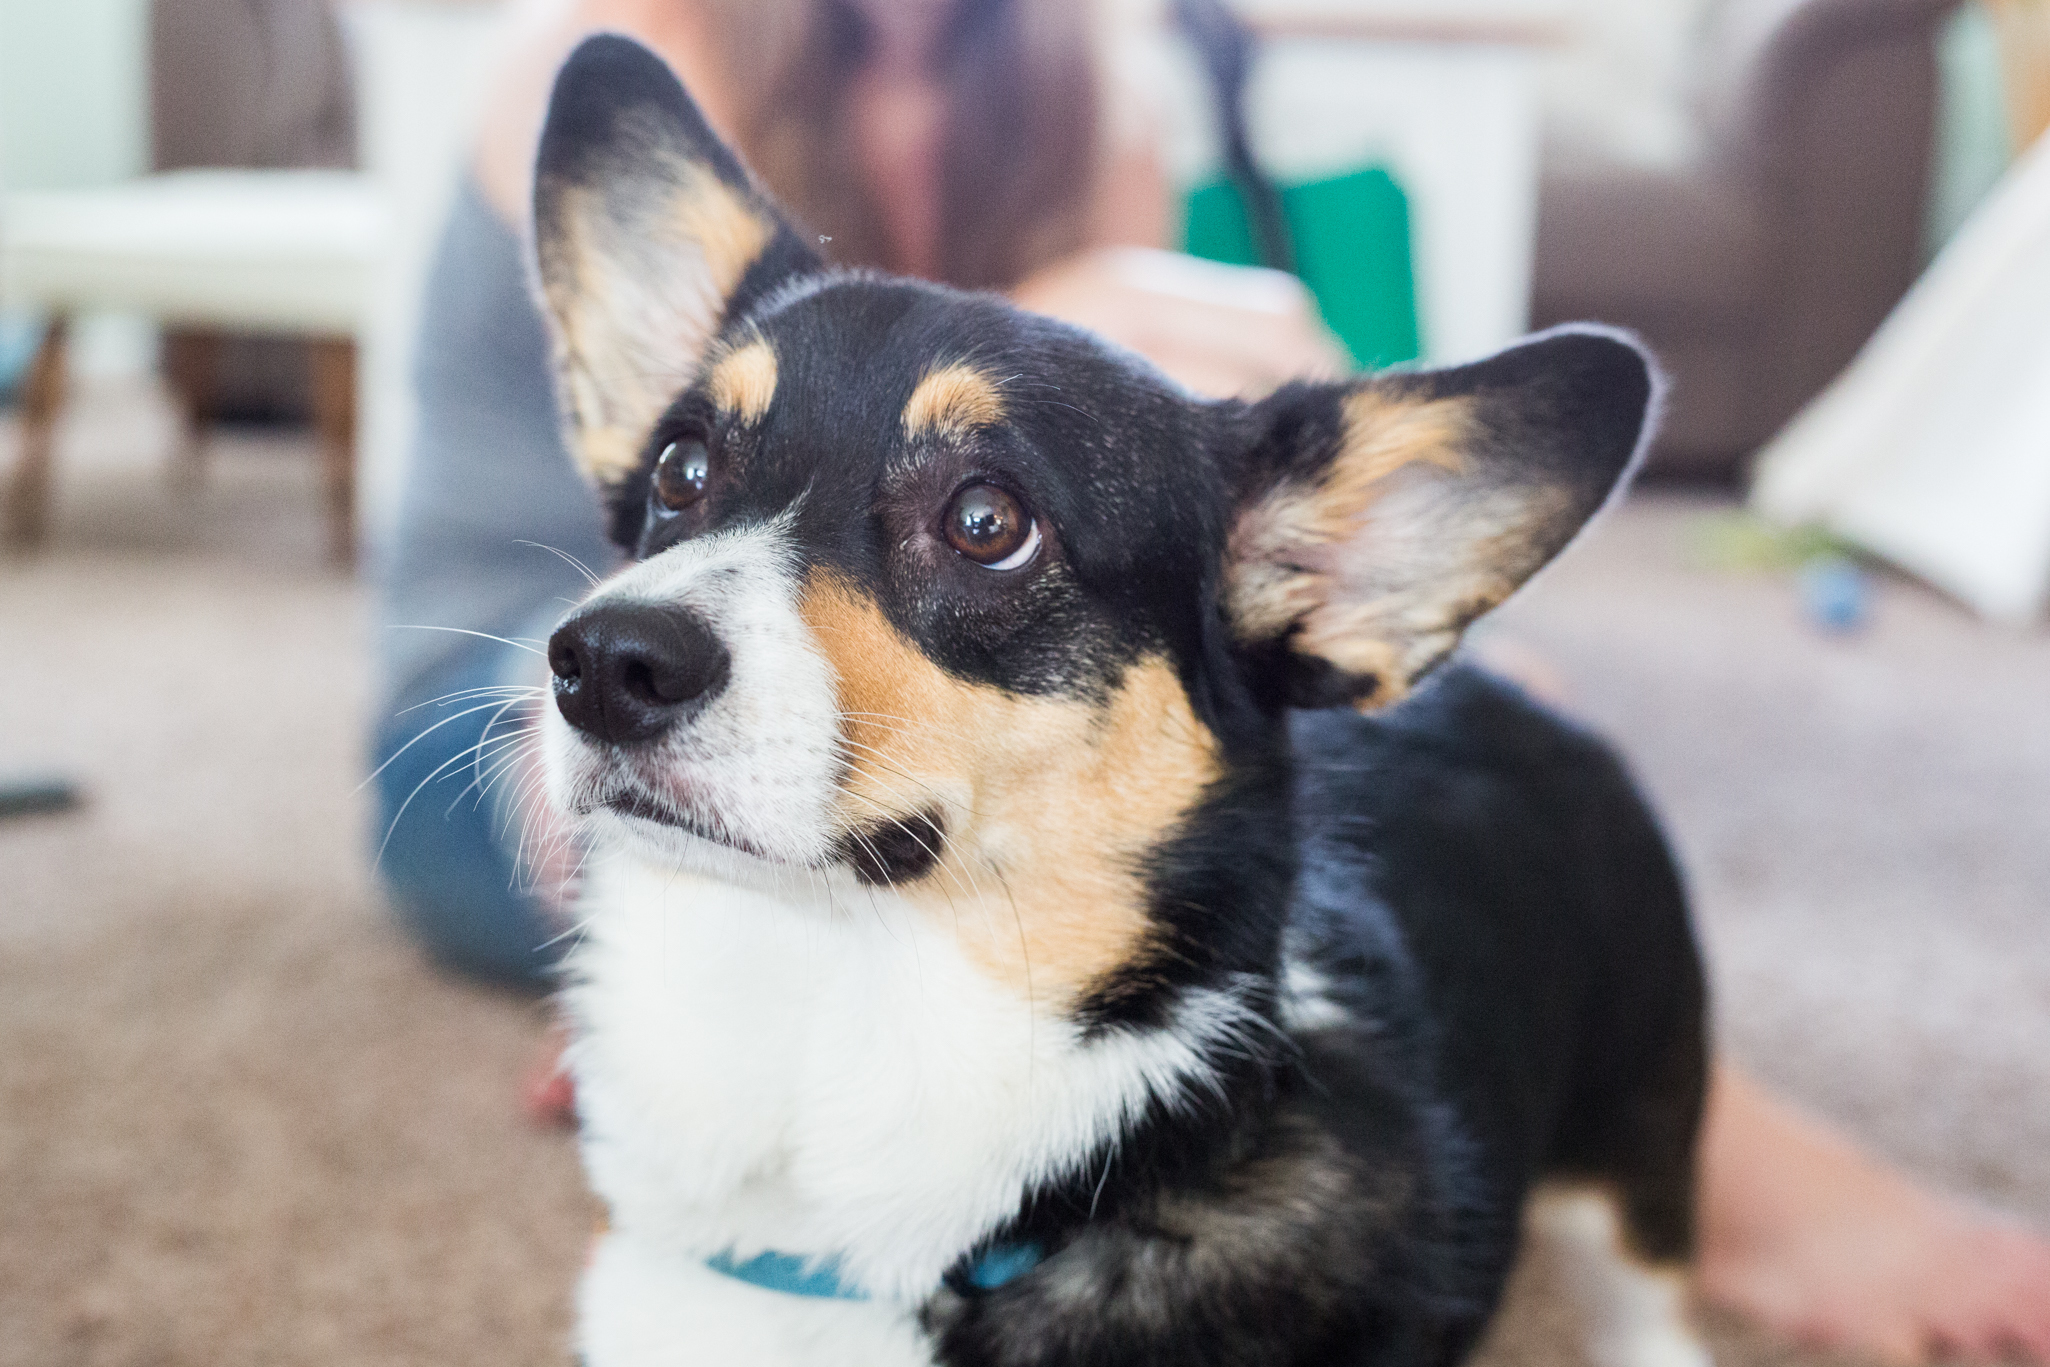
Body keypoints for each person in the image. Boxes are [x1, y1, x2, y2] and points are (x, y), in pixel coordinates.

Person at [369, 1, 2050, 1360]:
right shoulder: (589, 38)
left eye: (977, 516)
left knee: (1508, 735)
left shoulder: (1087, 90)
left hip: (1035, 860)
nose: (677, 583)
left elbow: (1149, 491)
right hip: (491, 699)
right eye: (683, 469)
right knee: (627, 679)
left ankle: (1669, 1182)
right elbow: (683, 571)